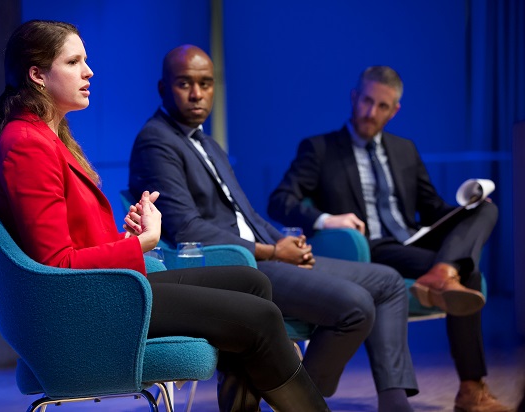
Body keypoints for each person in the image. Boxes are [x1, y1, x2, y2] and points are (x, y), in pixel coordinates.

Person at [0, 20, 332, 412]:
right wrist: (142, 244)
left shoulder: (43, 135)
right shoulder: (26, 144)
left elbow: (71, 247)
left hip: (101, 289)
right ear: (37, 75)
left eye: (85, 60)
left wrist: (125, 240)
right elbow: (57, 264)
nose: (89, 71)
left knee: (250, 281)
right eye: (73, 62)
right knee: (258, 317)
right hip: (88, 306)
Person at [129, 45, 419, 412]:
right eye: (185, 83)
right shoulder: (156, 140)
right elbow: (188, 228)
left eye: (206, 83)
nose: (197, 93)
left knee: (389, 282)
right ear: (162, 89)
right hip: (234, 265)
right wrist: (271, 251)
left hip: (267, 255)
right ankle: (301, 400)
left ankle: (393, 403)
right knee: (356, 306)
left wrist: (285, 240)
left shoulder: (208, 142)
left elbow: (246, 213)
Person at [267, 66, 511, 412]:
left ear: (394, 110)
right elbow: (280, 200)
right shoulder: (320, 149)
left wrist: (467, 206)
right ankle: (471, 386)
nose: (371, 112)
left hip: (412, 240)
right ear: (354, 97)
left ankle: (442, 271)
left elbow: (431, 209)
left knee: (486, 210)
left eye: (382, 106)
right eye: (366, 101)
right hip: (372, 250)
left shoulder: (404, 150)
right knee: (467, 273)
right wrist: (327, 218)